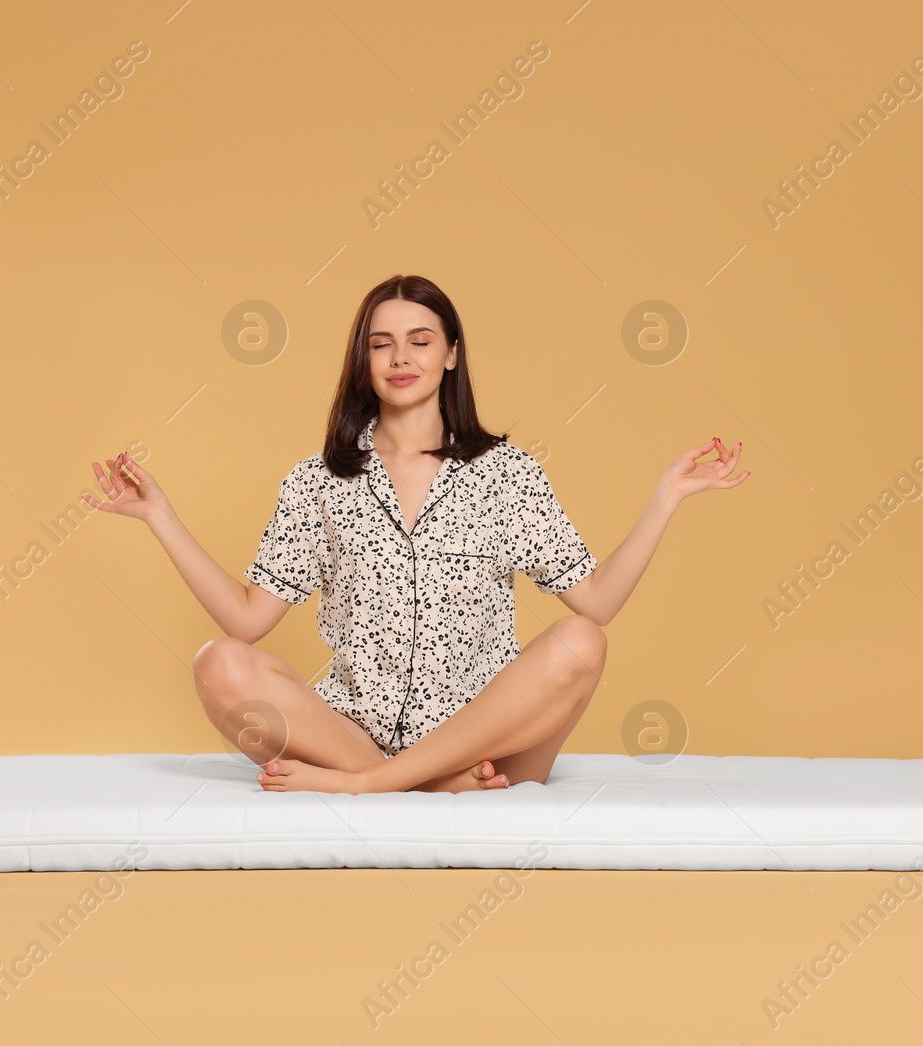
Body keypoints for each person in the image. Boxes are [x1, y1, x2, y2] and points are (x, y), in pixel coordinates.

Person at [84, 274, 750, 795]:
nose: (401, 357)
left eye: (421, 339)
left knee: (582, 639)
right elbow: (248, 619)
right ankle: (427, 788)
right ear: (363, 359)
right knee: (217, 661)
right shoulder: (317, 481)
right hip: (353, 734)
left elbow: (597, 602)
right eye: (382, 342)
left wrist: (666, 497)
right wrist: (160, 517)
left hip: (490, 747)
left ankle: (372, 788)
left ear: (452, 353)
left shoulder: (506, 474)